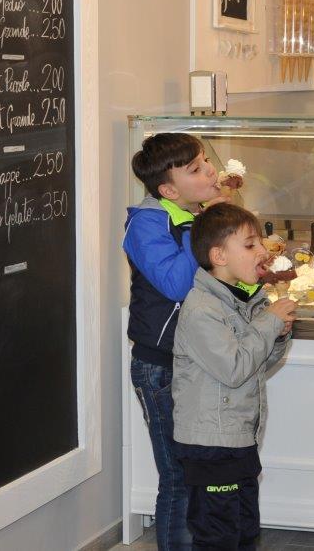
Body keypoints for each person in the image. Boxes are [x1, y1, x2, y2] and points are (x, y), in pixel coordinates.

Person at [124, 134, 243, 551]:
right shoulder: (147, 222)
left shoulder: (194, 216)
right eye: (195, 169)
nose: (210, 171)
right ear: (169, 190)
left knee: (203, 473)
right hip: (162, 366)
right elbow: (175, 284)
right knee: (179, 476)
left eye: (205, 161)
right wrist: (205, 228)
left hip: (200, 360)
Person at [173, 203, 297, 550]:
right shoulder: (201, 309)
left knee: (244, 531)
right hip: (211, 445)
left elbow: (257, 363)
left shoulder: (241, 301)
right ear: (219, 256)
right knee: (218, 536)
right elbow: (234, 368)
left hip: (239, 438)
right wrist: (269, 323)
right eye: (250, 244)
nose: (262, 252)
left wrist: (278, 336)